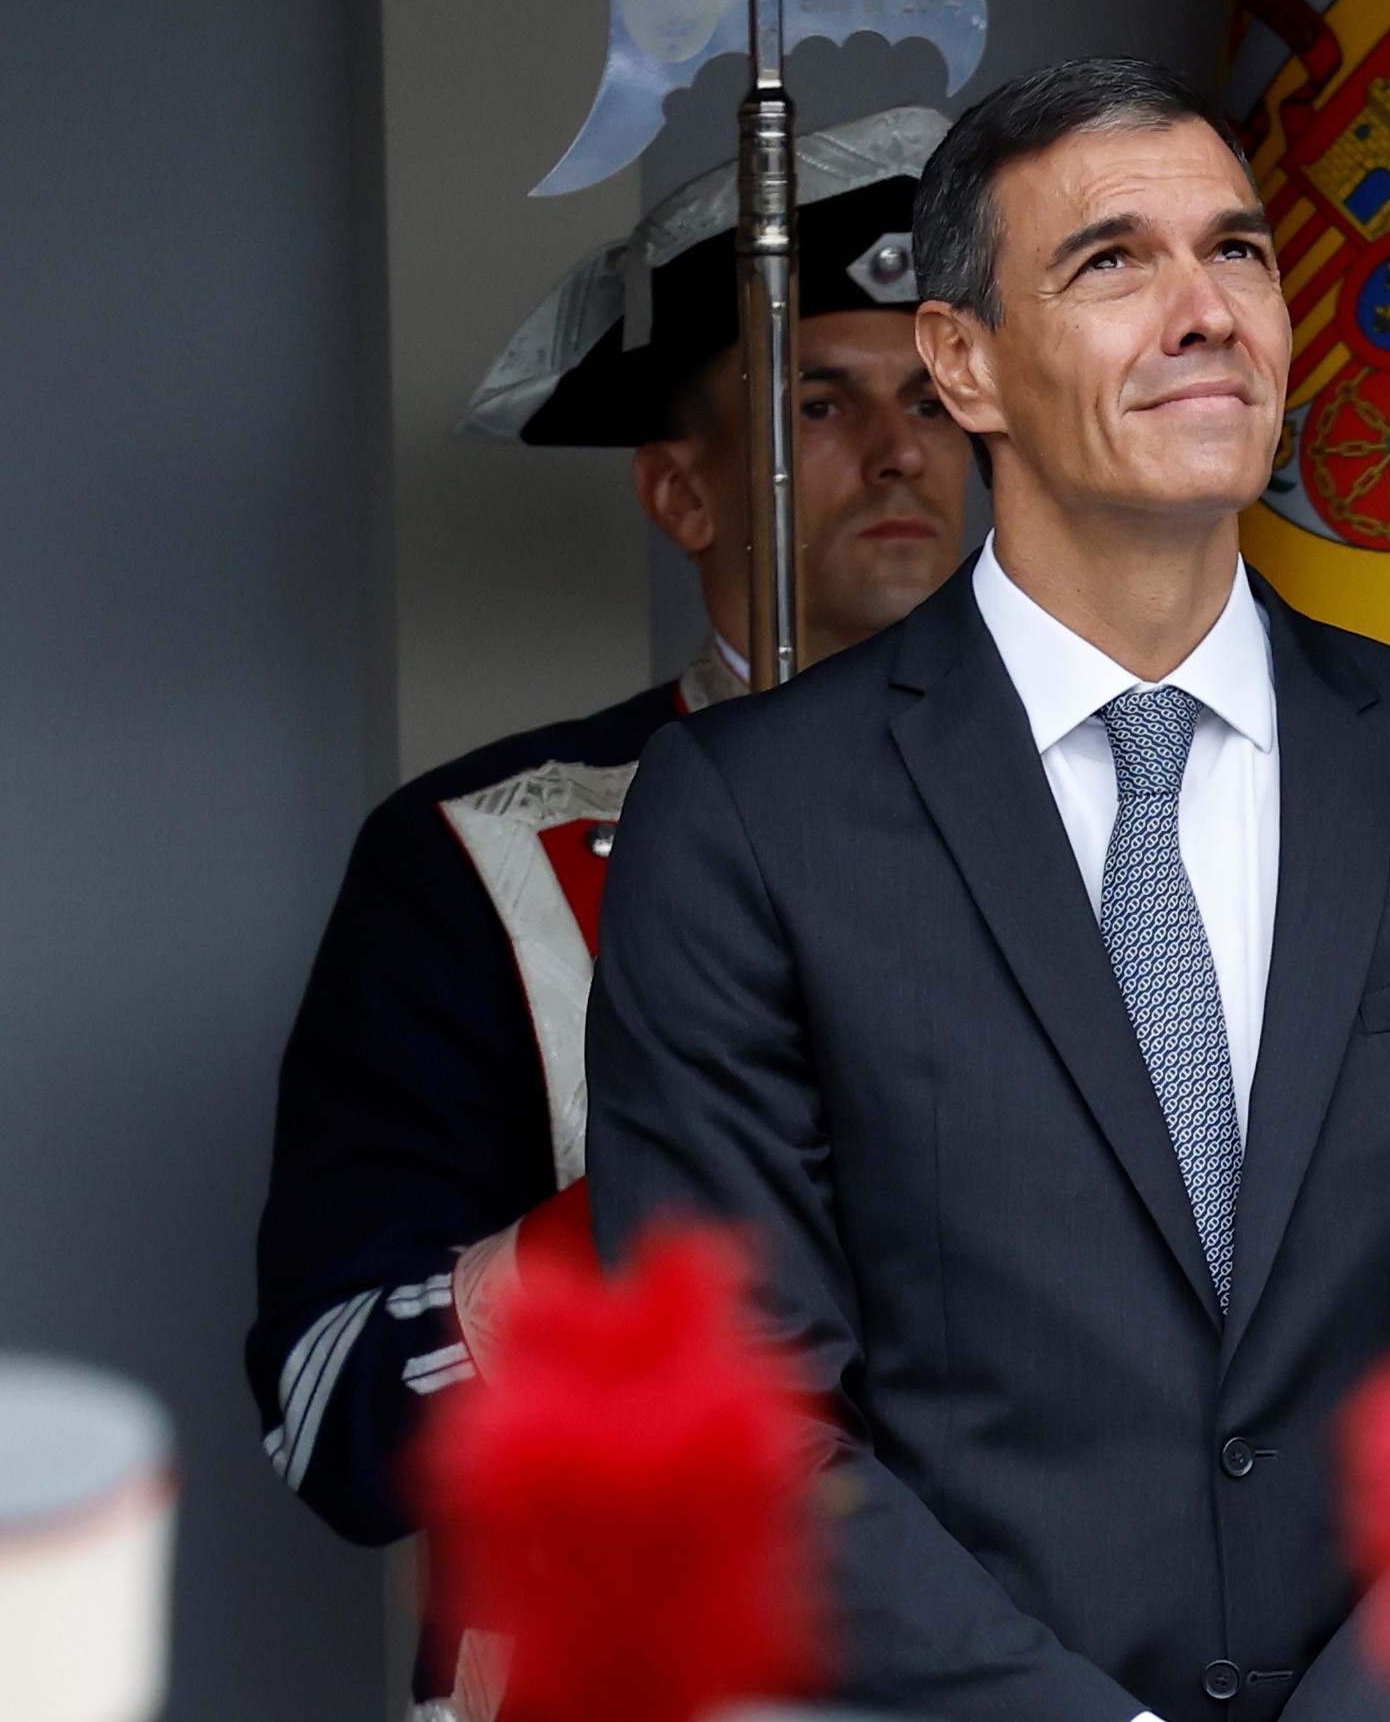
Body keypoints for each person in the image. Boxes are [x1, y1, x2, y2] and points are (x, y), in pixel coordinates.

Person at [583, 56, 1390, 1722]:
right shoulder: (747, 819)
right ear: (964, 361)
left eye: (1238, 252)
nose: (1207, 312)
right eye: (1114, 261)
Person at [247, 108, 975, 1719]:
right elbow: (333, 1419)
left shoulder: (1139, 834)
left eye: (936, 398)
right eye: (818, 402)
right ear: (681, 490)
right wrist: (674, 1209)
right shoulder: (471, 860)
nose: (901, 448)